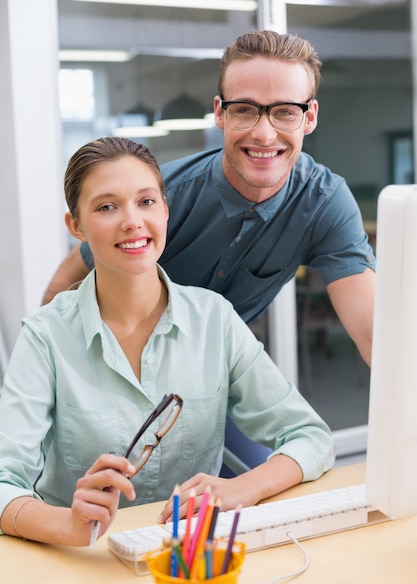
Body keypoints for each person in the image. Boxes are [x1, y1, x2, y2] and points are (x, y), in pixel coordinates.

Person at [0, 137, 335, 547]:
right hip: (85, 561)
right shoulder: (45, 336)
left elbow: (310, 436)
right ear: (76, 226)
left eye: (146, 202)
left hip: (194, 557)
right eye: (107, 207)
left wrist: (244, 486)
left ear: (165, 210)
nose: (132, 221)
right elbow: (4, 480)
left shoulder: (215, 319)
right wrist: (65, 524)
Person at [42, 30, 375, 368]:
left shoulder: (323, 204)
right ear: (220, 113)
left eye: (286, 112)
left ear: (310, 117)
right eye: (245, 109)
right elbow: (74, 272)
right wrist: (49, 375)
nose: (263, 133)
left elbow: (373, 335)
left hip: (212, 375)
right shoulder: (162, 195)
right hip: (118, 364)